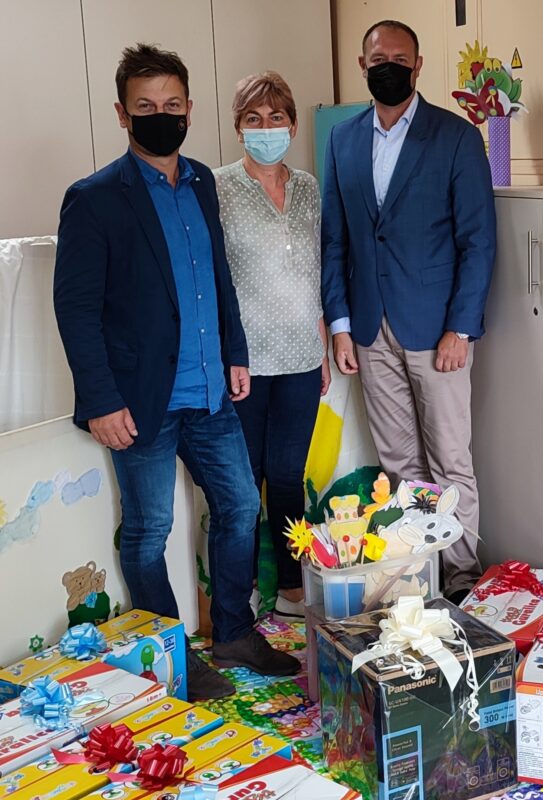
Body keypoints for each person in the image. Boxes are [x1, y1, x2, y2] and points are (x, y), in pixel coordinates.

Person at [53, 43, 298, 700]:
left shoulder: (201, 183)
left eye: (170, 104)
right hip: (140, 402)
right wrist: (101, 399)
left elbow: (218, 279)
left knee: (240, 505)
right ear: (122, 114)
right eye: (145, 107)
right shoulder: (94, 199)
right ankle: (172, 656)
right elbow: (75, 310)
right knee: (148, 530)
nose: (160, 116)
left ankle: (235, 631)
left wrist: (236, 352)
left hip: (211, 392)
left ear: (189, 109)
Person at [321, 19, 496, 595]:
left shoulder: (456, 137)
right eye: (379, 60)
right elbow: (335, 239)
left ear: (418, 66)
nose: (389, 68)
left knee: (450, 461)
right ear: (363, 65)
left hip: (437, 329)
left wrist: (461, 329)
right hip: (368, 330)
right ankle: (424, 576)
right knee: (400, 464)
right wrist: (341, 325)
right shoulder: (342, 140)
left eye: (400, 59)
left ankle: (463, 577)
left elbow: (477, 241)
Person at [214, 72, 328, 621]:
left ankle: (290, 588)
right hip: (245, 361)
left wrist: (322, 344)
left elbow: (315, 270)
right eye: (254, 119)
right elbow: (212, 278)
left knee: (286, 479)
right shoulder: (216, 188)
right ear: (238, 128)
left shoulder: (309, 187)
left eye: (276, 117)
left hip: (302, 356)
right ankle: (236, 599)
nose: (266, 128)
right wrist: (223, 354)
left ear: (293, 125)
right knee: (243, 485)